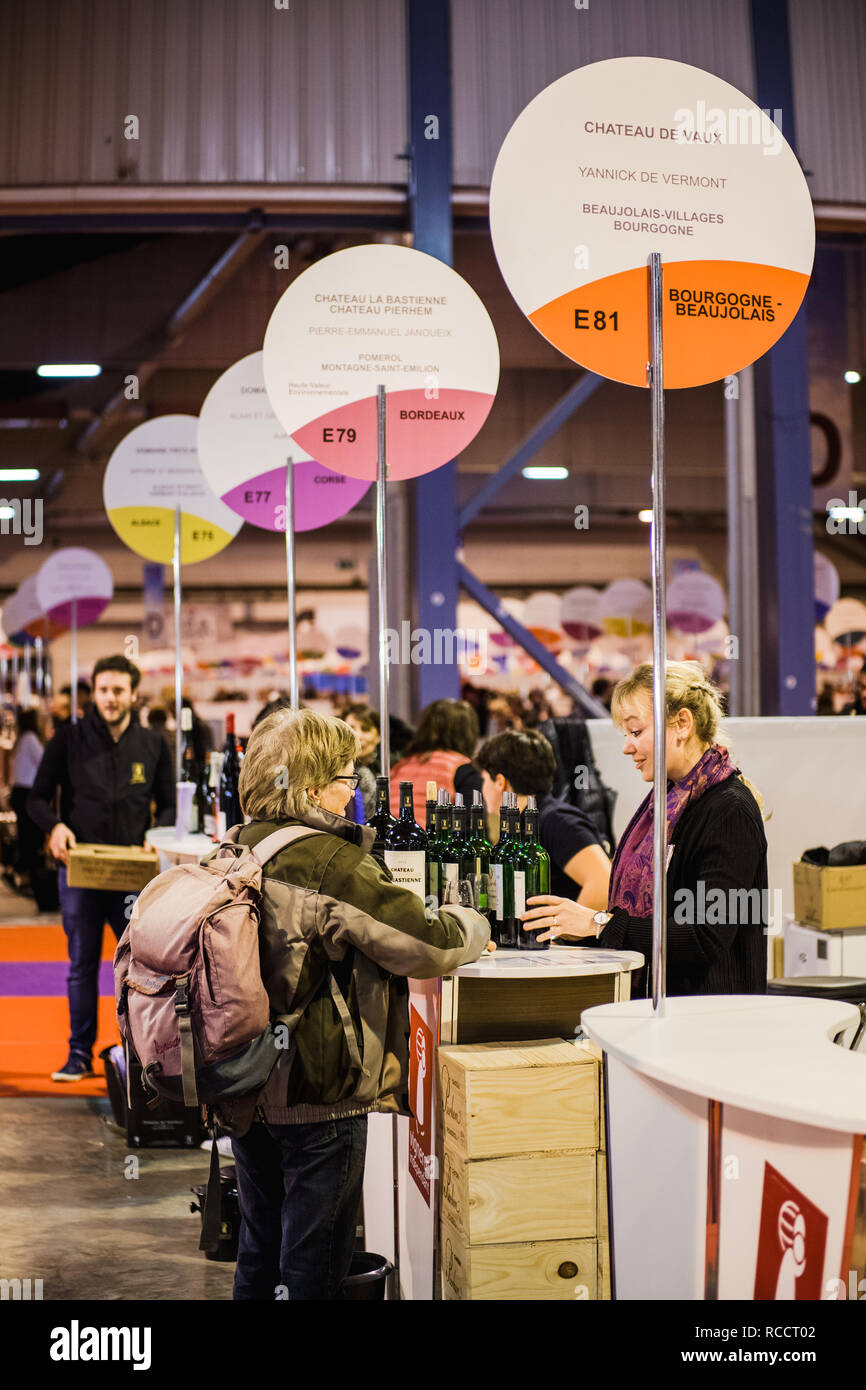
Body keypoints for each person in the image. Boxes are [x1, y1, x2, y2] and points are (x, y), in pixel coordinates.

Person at [225, 707, 492, 1300]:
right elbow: (425, 942)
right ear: (312, 784)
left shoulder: (236, 846)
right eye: (348, 778)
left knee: (259, 1250)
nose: (354, 793)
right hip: (320, 1090)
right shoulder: (333, 862)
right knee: (314, 1268)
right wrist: (474, 924)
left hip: (246, 1079)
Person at [521, 661, 768, 996]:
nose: (627, 747)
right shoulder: (666, 803)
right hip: (660, 1009)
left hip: (709, 1022)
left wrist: (598, 924)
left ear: (682, 723)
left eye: (636, 733)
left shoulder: (729, 810)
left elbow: (705, 936)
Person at [28, 655, 176, 1082]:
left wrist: (159, 830)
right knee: (82, 963)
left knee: (141, 967)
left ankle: (138, 1054)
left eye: (118, 690)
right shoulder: (67, 740)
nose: (109, 698)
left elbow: (168, 802)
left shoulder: (152, 744)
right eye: (102, 689)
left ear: (133, 693)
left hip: (134, 873)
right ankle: (78, 1053)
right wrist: (54, 827)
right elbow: (36, 799)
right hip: (80, 872)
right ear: (93, 692)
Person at [476, 729, 611, 909]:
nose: (483, 789)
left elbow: (603, 884)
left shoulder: (557, 820)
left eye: (484, 779)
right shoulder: (520, 824)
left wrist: (561, 935)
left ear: (500, 781)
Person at [388, 698, 482, 814]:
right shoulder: (464, 769)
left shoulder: (400, 765)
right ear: (469, 733)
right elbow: (472, 823)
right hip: (434, 831)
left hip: (392, 831)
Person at [9, 708, 45, 894]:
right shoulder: (30, 738)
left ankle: (23, 872)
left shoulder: (21, 739)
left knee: (25, 834)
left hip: (19, 791)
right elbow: (43, 760)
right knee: (30, 835)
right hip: (26, 791)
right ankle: (30, 875)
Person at [343, 704, 381, 818]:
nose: (358, 735)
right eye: (351, 728)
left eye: (365, 729)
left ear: (378, 736)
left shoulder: (388, 768)